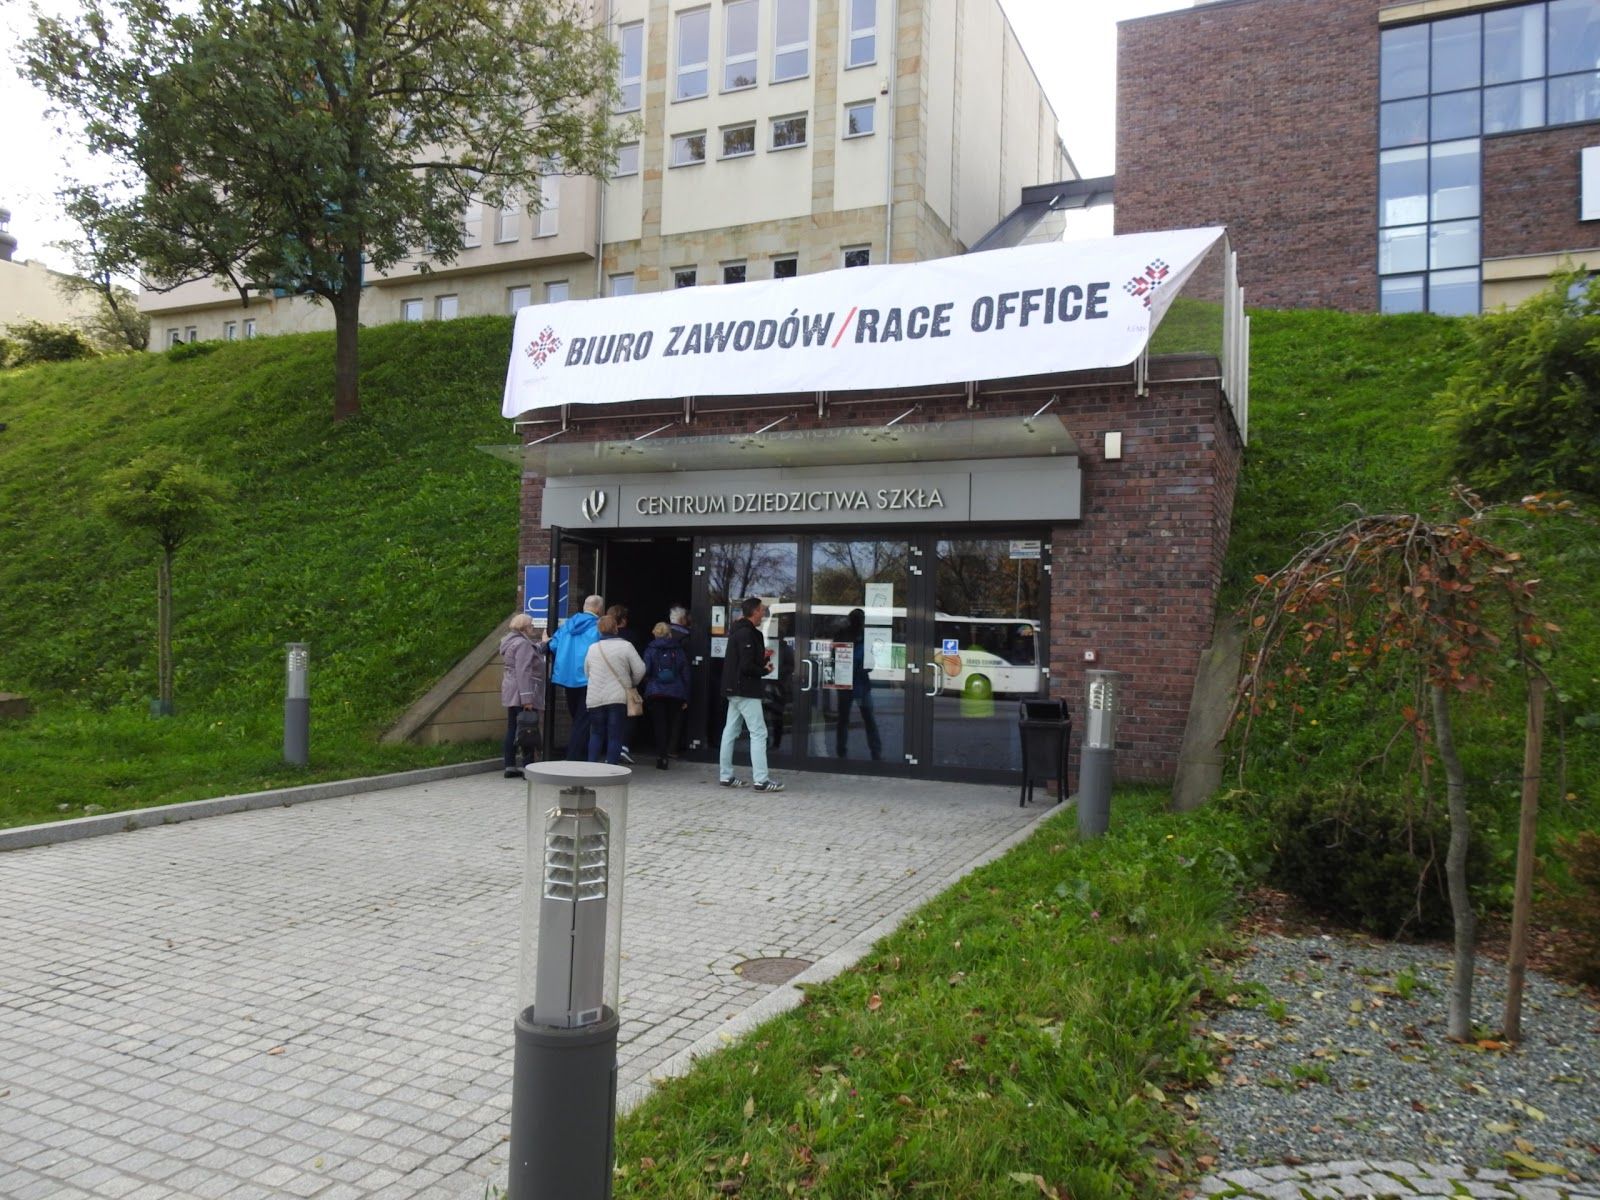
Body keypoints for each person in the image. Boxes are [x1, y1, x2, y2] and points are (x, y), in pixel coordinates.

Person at [719, 596, 784, 792]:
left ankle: (726, 775)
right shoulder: (747, 634)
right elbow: (746, 666)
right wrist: (764, 670)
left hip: (733, 689)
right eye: (762, 609)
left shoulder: (737, 632)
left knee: (730, 731)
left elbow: (742, 662)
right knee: (759, 733)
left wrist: (760, 662)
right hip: (745, 690)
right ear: (754, 611)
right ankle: (761, 780)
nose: (764, 613)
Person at [583, 614, 645, 765]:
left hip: (595, 698)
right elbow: (641, 669)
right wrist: (631, 684)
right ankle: (611, 769)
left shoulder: (592, 648)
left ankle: (591, 767)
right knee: (615, 735)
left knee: (596, 734)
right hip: (617, 697)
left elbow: (586, 671)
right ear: (615, 628)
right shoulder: (626, 646)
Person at [549, 594, 604, 760]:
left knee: (577, 718)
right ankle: (573, 757)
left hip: (566, 678)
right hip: (588, 678)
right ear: (598, 609)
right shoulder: (598, 627)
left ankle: (577, 754)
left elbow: (553, 645)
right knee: (583, 720)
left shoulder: (567, 625)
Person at [499, 613, 548, 778]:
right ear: (524, 628)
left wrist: (543, 644)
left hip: (511, 690)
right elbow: (523, 671)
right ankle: (528, 767)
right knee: (528, 729)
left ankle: (510, 765)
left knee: (513, 728)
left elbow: (531, 652)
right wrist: (527, 699)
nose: (532, 628)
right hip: (523, 691)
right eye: (531, 626)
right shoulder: (522, 644)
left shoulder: (511, 641)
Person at [834, 608, 882, 761]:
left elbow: (870, 664)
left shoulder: (860, 637)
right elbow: (834, 658)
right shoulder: (845, 635)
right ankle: (873, 752)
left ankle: (872, 752)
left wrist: (860, 667)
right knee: (860, 720)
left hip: (857, 684)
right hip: (850, 684)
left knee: (860, 720)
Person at [643, 621, 690, 770]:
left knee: (659, 725)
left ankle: (661, 757)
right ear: (669, 634)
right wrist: (686, 695)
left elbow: (645, 670)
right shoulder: (678, 649)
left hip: (656, 692)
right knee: (673, 723)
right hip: (675, 692)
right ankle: (672, 750)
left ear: (655, 633)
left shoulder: (650, 649)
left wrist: (647, 686)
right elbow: (685, 673)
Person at [606, 604, 639, 763]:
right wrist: (634, 683)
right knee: (630, 714)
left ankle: (608, 751)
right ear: (624, 620)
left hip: (604, 683)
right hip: (626, 682)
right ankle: (623, 747)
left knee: (606, 717)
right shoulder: (631, 638)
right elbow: (639, 667)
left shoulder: (600, 638)